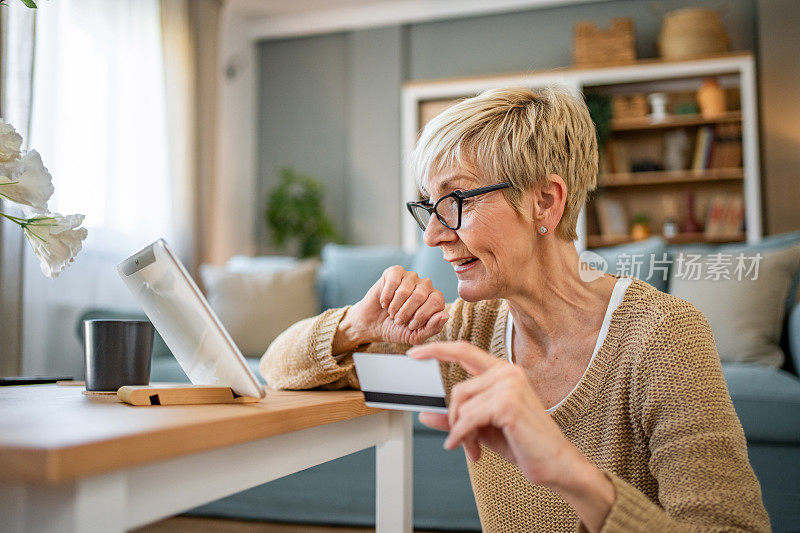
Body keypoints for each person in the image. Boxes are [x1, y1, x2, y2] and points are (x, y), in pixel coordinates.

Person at [261, 86, 769, 532]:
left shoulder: (663, 337)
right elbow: (276, 369)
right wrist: (355, 324)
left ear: (545, 202)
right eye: (429, 208)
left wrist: (570, 472)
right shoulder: (463, 336)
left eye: (456, 200)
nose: (434, 235)